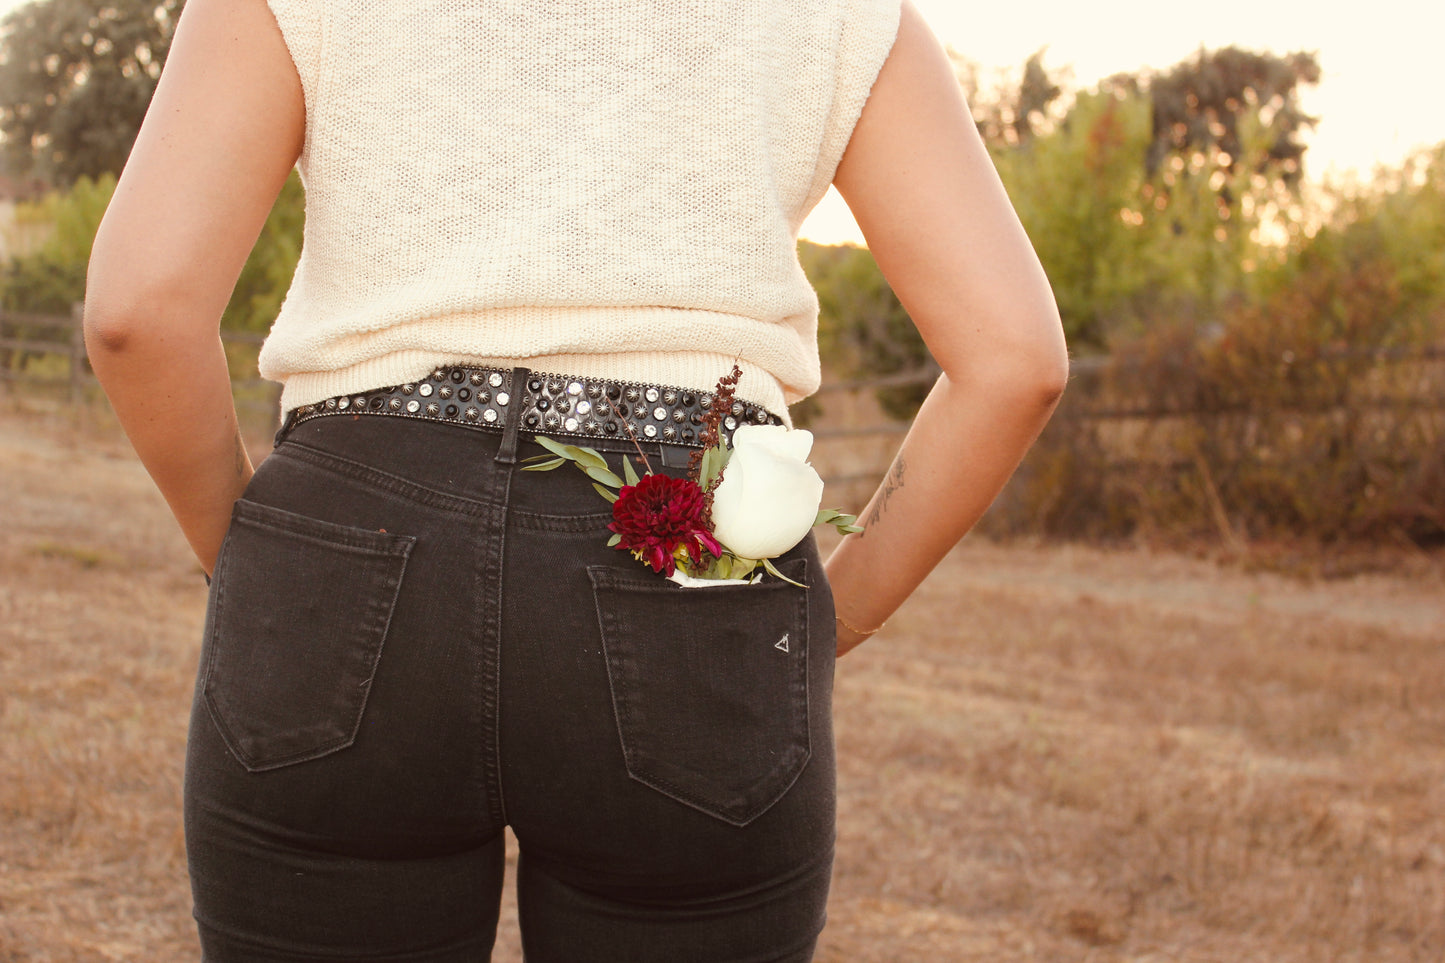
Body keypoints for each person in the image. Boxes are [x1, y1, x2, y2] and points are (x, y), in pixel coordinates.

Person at [84, 0, 1067, 959]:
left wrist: (261, 561)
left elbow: (137, 312)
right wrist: (829, 616)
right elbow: (1014, 362)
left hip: (351, 527)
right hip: (695, 561)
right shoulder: (846, 15)